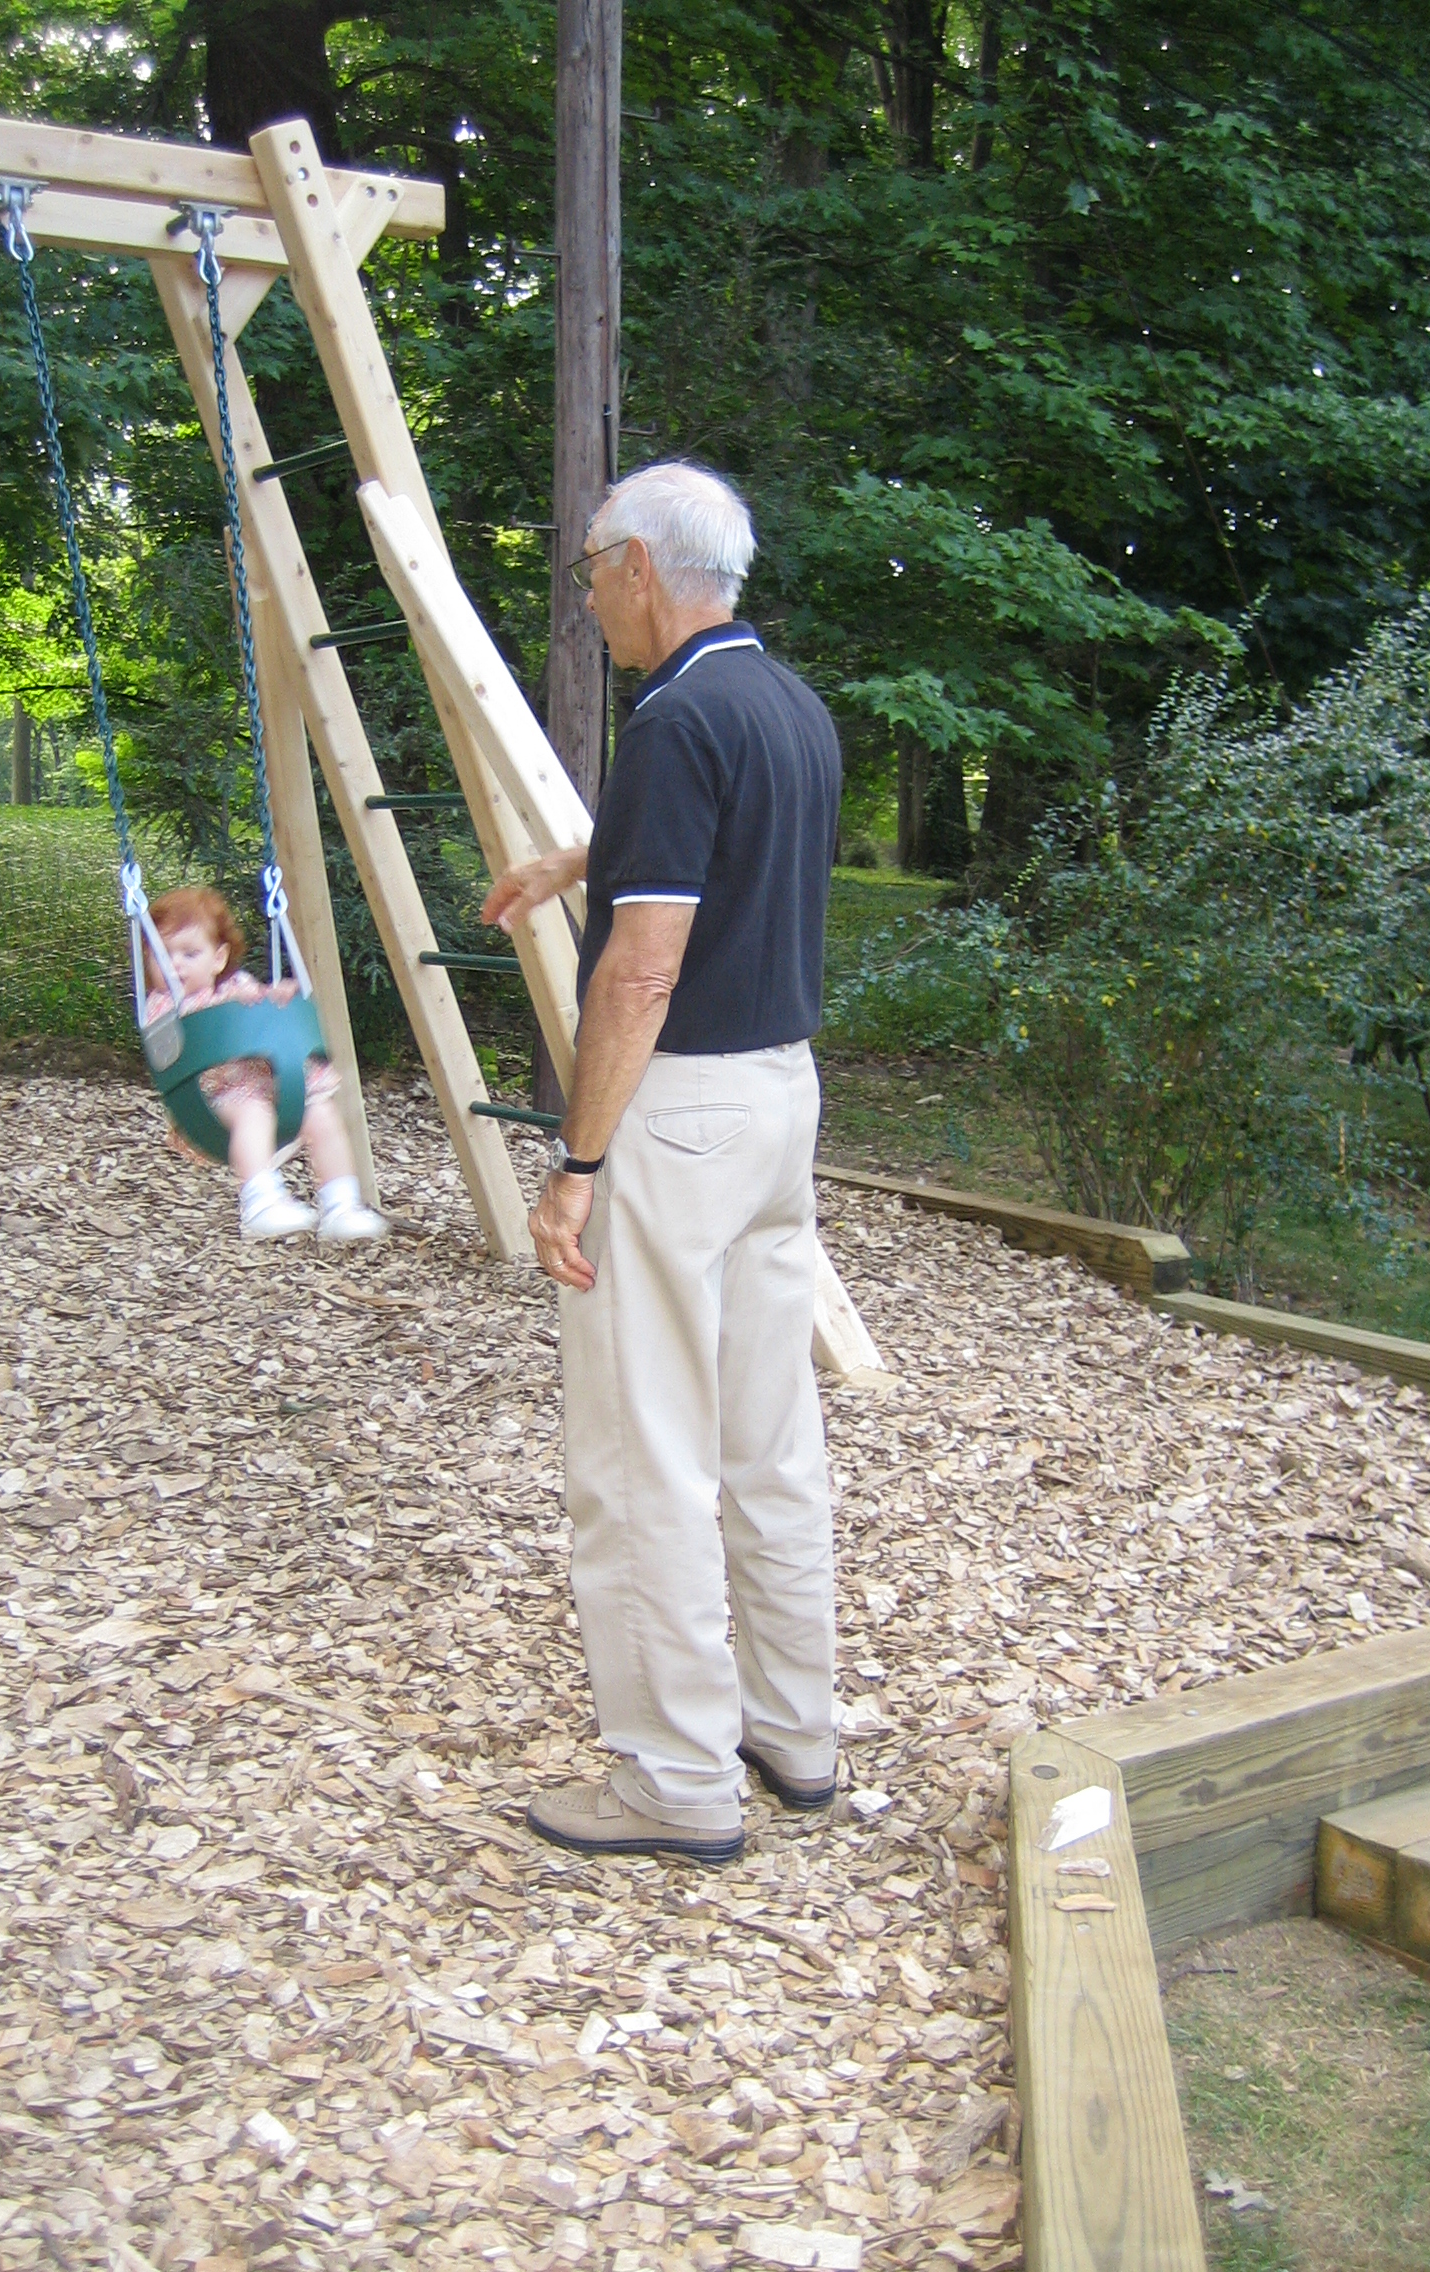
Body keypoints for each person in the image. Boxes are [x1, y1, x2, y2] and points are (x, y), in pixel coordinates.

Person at [481, 461, 842, 1864]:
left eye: (590, 569)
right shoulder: (783, 705)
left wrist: (577, 1160)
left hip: (680, 1113)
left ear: (641, 564)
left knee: (642, 1457)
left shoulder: (675, 720)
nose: (587, 598)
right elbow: (723, 852)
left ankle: (677, 1780)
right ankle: (794, 1734)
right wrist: (579, 859)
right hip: (779, 1104)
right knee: (769, 1440)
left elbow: (641, 973)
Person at [142, 885, 386, 1244]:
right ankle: (261, 1203)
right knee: (253, 1110)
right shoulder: (160, 1005)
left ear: (218, 958)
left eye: (190, 953)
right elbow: (190, 1021)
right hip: (211, 1099)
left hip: (270, 1089)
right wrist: (233, 1004)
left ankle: (342, 1206)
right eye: (163, 955)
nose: (175, 964)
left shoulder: (238, 984)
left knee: (322, 1114)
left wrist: (276, 998)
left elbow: (260, 1013)